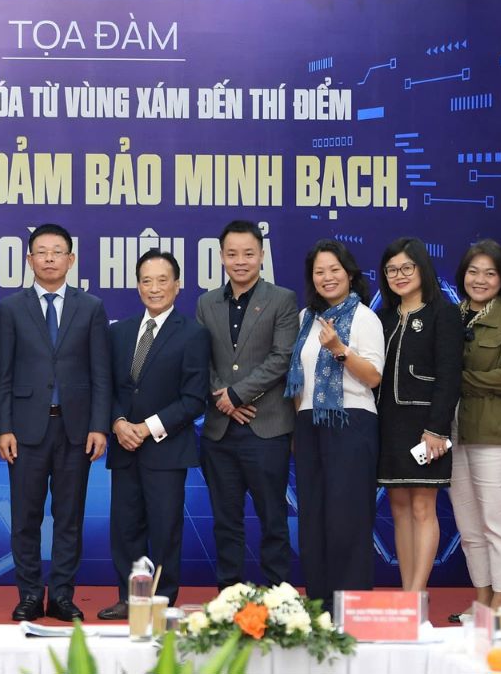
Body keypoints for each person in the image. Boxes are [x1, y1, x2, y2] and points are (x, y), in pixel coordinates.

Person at [0, 223, 111, 622]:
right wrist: (3, 427)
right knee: (25, 518)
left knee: (69, 517)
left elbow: (100, 373)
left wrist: (99, 426)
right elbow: (2, 373)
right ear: (29, 260)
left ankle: (62, 595)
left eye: (57, 251)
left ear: (70, 259)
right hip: (25, 430)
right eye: (41, 252)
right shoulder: (11, 307)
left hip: (75, 430)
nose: (49, 258)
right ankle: (29, 594)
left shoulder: (90, 307)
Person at [98, 249, 209, 616]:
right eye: (147, 280)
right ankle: (131, 599)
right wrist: (117, 423)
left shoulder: (193, 334)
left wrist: (146, 428)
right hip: (124, 446)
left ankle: (159, 601)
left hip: (166, 448)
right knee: (125, 529)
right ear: (138, 286)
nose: (155, 288)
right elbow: (107, 387)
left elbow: (193, 399)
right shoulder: (120, 331)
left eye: (163, 280)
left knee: (164, 530)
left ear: (178, 286)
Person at [192, 220, 298, 593]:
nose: (240, 261)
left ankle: (279, 595)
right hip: (220, 432)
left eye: (248, 254)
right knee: (225, 520)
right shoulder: (206, 302)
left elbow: (282, 357)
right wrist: (224, 399)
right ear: (221, 257)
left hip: (267, 427)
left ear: (262, 255)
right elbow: (200, 359)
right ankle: (229, 594)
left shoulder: (282, 299)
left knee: (273, 518)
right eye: (233, 254)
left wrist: (236, 395)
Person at [284, 239, 383, 607]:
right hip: (309, 423)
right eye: (319, 272)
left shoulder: (365, 317)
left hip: (351, 423)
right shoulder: (305, 319)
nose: (327, 277)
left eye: (334, 270)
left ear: (350, 274)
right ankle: (319, 602)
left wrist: (339, 349)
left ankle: (350, 605)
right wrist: (298, 423)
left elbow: (373, 376)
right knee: (313, 517)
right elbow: (298, 378)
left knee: (347, 518)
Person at [376, 237, 463, 593]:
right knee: (398, 507)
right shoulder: (382, 318)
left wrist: (437, 429)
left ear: (422, 269)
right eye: (391, 270)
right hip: (387, 424)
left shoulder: (443, 314)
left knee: (423, 507)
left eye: (406, 268)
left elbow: (449, 376)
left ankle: (417, 594)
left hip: (426, 427)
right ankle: (406, 591)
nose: (399, 275)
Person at [448, 240, 501, 613]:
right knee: (468, 526)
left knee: (498, 524)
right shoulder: (450, 316)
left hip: (495, 434)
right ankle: (482, 599)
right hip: (453, 434)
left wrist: (460, 380)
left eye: (490, 273)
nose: (480, 280)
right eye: (473, 271)